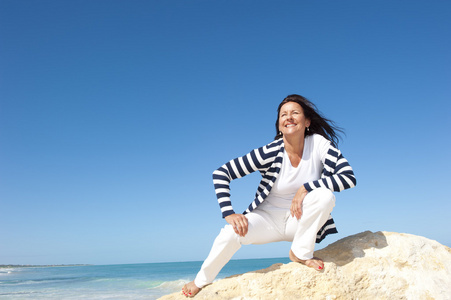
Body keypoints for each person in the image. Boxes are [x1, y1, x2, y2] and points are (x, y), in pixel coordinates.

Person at [182, 94, 357, 297]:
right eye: (283, 115)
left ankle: (300, 253)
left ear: (307, 121)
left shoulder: (319, 145)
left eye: (295, 113)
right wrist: (228, 212)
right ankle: (201, 281)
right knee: (230, 233)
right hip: (266, 220)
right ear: (279, 125)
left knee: (324, 195)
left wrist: (307, 187)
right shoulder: (271, 151)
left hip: (299, 221)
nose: (288, 117)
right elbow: (221, 173)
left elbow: (348, 177)